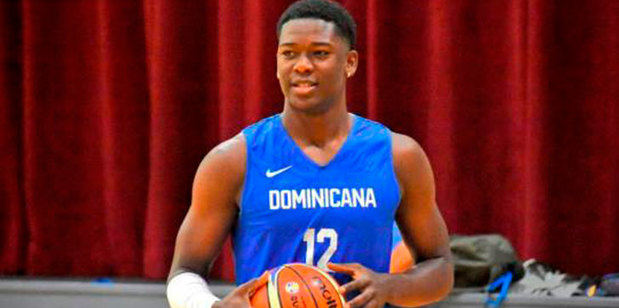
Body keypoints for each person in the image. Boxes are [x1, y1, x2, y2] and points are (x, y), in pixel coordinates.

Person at [166, 0, 453, 307]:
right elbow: (184, 271)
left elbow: (440, 267)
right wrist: (213, 306)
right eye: (289, 53)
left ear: (350, 62)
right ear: (277, 63)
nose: (302, 65)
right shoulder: (233, 160)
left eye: (320, 53)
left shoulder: (399, 155)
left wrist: (390, 286)